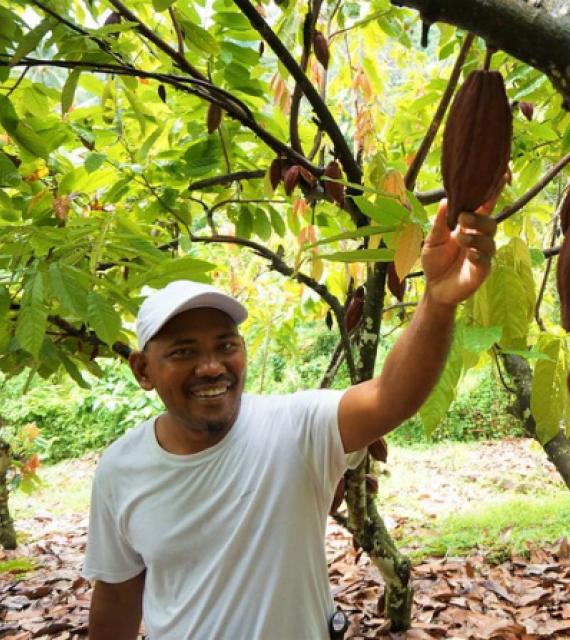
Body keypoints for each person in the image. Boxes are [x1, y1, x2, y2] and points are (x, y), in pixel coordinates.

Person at [83, 205, 497, 639]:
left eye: (226, 345)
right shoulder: (121, 469)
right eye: (183, 352)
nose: (211, 367)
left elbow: (390, 397)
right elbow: (116, 598)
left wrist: (437, 300)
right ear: (142, 371)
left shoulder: (296, 428)